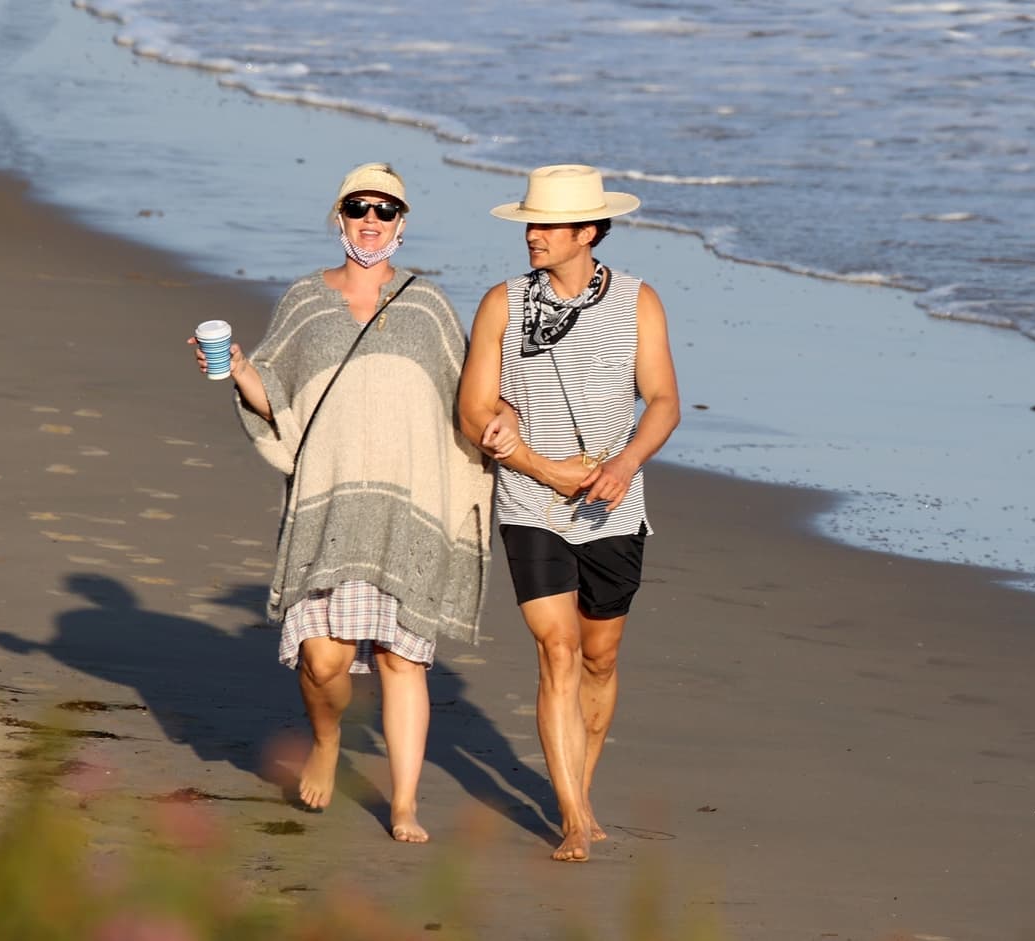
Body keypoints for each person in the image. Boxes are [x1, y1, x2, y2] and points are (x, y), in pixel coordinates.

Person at [190, 162, 494, 843]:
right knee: (322, 661)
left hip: (409, 512)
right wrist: (238, 369)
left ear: (402, 223)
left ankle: (405, 804)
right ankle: (327, 739)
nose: (371, 220)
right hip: (330, 509)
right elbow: (279, 399)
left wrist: (509, 430)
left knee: (402, 660)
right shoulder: (305, 300)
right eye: (359, 207)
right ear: (339, 216)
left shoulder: (428, 306)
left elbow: (467, 400)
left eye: (386, 209)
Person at [458, 164, 681, 862]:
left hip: (613, 507)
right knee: (556, 650)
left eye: (549, 225)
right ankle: (574, 817)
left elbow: (664, 401)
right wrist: (538, 465)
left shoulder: (639, 302)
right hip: (530, 501)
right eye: (532, 223)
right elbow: (473, 410)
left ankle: (579, 788)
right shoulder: (503, 302)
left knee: (599, 657)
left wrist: (624, 465)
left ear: (588, 232)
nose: (534, 235)